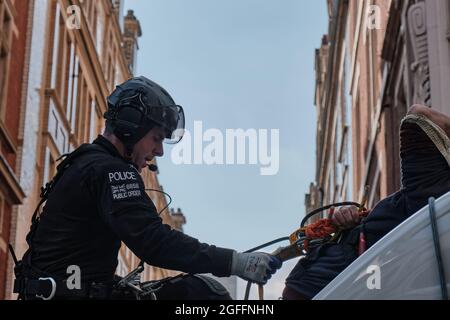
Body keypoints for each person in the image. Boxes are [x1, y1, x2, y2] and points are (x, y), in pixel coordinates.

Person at [13, 76, 282, 300]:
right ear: (131, 126)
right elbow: (154, 242)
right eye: (156, 138)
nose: (159, 151)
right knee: (203, 295)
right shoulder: (111, 171)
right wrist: (236, 262)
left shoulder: (84, 162)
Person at [282, 104, 450, 300]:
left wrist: (344, 224)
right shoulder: (429, 194)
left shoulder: (426, 196)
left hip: (321, 281)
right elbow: (420, 116)